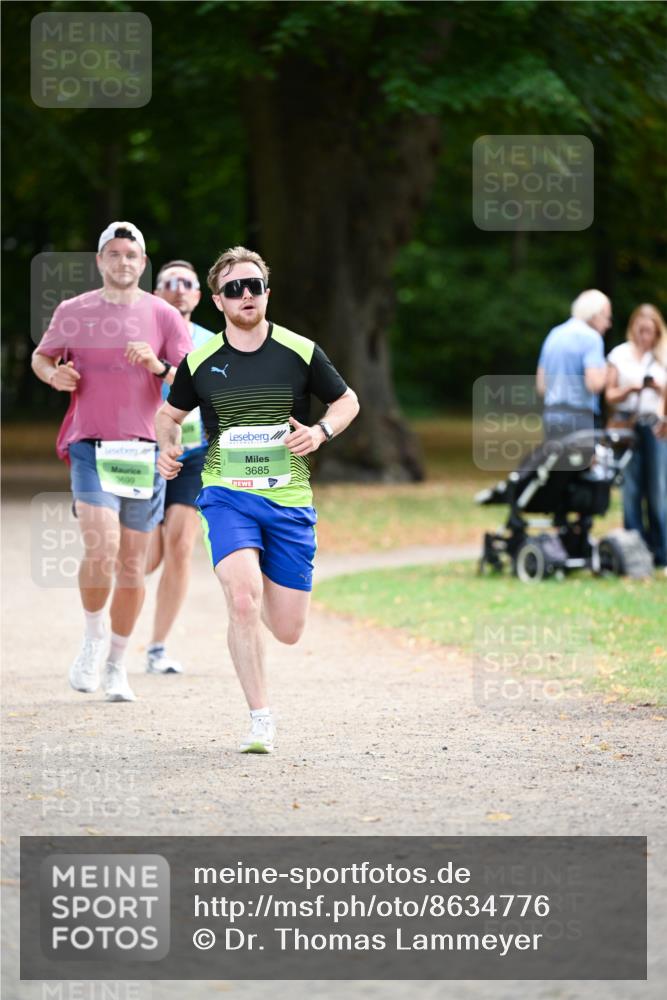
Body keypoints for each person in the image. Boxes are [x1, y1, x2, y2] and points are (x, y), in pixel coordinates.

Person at [155, 246, 359, 753]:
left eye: (254, 286)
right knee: (243, 599)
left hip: (288, 499)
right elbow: (168, 416)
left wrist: (321, 432)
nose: (245, 295)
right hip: (227, 496)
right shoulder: (199, 361)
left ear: (267, 292)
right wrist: (167, 448)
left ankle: (264, 587)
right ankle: (260, 719)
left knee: (288, 628)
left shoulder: (300, 350)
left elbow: (347, 400)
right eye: (233, 289)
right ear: (219, 302)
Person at [31, 222, 191, 702]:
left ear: (143, 264)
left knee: (132, 564)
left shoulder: (164, 315)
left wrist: (157, 367)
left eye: (132, 256)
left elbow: (188, 382)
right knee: (101, 547)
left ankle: (118, 663)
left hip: (144, 449)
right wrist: (53, 375)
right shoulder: (73, 311)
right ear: (101, 260)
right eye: (114, 254)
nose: (123, 262)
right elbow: (42, 358)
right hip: (90, 444)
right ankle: (92, 637)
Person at [144, 260, 216, 674]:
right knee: (146, 558)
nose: (177, 289)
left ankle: (158, 647)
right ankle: (112, 629)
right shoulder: (139, 339)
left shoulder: (210, 343)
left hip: (194, 454)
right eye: (167, 282)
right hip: (145, 454)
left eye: (186, 283)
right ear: (156, 293)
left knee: (181, 546)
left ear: (198, 295)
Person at [606, 304, 667, 571]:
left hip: (655, 427)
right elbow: (608, 395)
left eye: (650, 332)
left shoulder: (664, 355)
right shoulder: (619, 355)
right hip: (627, 428)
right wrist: (629, 388)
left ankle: (661, 551)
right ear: (633, 328)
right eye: (641, 331)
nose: (645, 337)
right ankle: (635, 554)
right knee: (630, 489)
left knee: (658, 491)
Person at [536, 289, 612, 440]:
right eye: (607, 317)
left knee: (556, 463)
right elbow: (594, 384)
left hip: (552, 417)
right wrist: (609, 369)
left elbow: (541, 386)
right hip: (581, 421)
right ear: (596, 314)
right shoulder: (592, 338)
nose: (608, 324)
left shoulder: (554, 334)